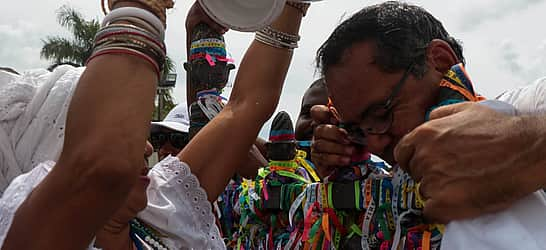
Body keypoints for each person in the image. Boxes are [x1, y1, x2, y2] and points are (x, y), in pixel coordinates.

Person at [0, 0, 309, 249]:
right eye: (124, 133)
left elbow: (247, 105)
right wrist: (143, 8)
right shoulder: (30, 237)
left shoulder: (165, 209)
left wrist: (293, 5)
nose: (148, 146)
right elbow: (104, 167)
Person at [310, 1, 546, 249]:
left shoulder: (523, 109)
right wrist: (345, 170)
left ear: (440, 62)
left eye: (382, 113)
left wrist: (525, 145)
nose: (375, 143)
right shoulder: (386, 190)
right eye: (357, 130)